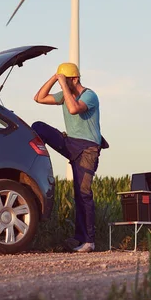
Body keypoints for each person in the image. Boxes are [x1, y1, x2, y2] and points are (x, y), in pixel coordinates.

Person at [32, 62, 107, 253]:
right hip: (71, 143)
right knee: (38, 126)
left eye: (65, 80)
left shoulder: (89, 95)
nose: (61, 85)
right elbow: (38, 98)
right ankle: (34, 156)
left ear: (75, 79)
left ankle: (88, 241)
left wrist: (64, 85)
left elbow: (74, 109)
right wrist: (54, 77)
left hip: (88, 149)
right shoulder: (65, 94)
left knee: (82, 194)